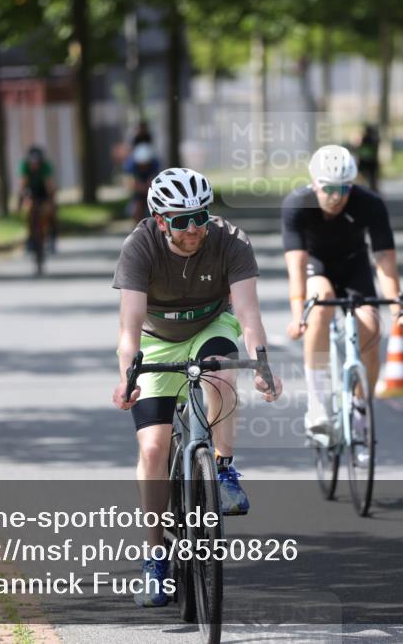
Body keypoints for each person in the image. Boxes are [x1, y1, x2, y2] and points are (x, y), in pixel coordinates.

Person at [112, 167, 283, 607]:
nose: (194, 229)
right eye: (182, 220)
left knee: (222, 373)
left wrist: (262, 365)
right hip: (156, 340)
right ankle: (155, 556)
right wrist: (127, 377)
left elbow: (248, 315)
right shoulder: (139, 246)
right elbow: (129, 328)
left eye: (200, 217)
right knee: (153, 448)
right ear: (160, 220)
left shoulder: (231, 241)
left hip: (211, 326)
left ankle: (222, 469)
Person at [281, 145, 403, 440]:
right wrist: (298, 315)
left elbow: (384, 259)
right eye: (328, 188)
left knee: (371, 327)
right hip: (316, 265)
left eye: (344, 188)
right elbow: (297, 264)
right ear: (314, 184)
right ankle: (317, 403)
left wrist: (397, 310)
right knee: (321, 304)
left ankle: (360, 407)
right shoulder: (297, 204)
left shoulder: (370, 203)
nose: (336, 196)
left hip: (354, 265)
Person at [18, 145, 57, 253]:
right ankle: (30, 239)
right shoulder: (25, 166)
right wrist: (21, 201)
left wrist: (51, 201)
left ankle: (52, 236)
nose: (34, 165)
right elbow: (22, 185)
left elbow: (49, 186)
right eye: (32, 162)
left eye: (36, 162)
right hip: (30, 190)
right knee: (28, 212)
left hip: (43, 190)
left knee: (49, 212)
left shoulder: (45, 167)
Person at [123, 143, 161, 225]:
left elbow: (154, 180)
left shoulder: (155, 164)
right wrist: (139, 187)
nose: (143, 167)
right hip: (138, 190)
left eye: (145, 165)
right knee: (135, 209)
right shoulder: (131, 165)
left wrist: (149, 188)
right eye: (141, 165)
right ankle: (137, 226)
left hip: (150, 189)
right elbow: (130, 182)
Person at [356, 124, 380, 192]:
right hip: (371, 161)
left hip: (365, 160)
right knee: (372, 178)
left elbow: (361, 149)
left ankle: (363, 190)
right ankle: (373, 190)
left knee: (364, 177)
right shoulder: (375, 138)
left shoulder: (366, 138)